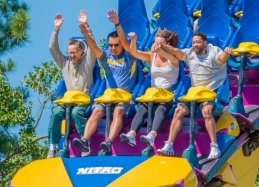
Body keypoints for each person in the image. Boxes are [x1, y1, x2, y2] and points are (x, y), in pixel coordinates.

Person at [72, 10, 140, 157]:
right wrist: (85, 33)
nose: (113, 48)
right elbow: (94, 47)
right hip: (108, 96)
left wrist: (117, 24)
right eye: (110, 45)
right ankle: (84, 140)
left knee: (118, 112)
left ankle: (108, 142)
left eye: (116, 45)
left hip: (124, 98)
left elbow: (127, 44)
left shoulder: (130, 55)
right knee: (96, 111)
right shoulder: (106, 56)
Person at [156, 31, 233, 161]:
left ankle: (214, 146)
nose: (195, 45)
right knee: (178, 110)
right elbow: (175, 51)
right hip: (195, 92)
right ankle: (169, 145)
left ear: (205, 43)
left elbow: (221, 58)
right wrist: (161, 45)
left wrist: (227, 52)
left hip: (211, 91)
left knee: (206, 111)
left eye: (198, 42)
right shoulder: (189, 52)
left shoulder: (213, 51)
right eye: (193, 42)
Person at [119, 27, 181, 150]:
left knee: (161, 108)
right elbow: (134, 53)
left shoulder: (174, 58)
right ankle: (131, 134)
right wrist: (133, 40)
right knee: (142, 108)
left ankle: (152, 136)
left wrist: (161, 50)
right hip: (153, 94)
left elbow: (172, 58)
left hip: (168, 94)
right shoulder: (152, 56)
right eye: (155, 43)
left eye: (160, 44)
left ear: (167, 45)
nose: (156, 46)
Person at [47, 11, 98, 158]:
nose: (71, 55)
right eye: (69, 53)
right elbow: (52, 49)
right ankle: (53, 147)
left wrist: (86, 26)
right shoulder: (65, 63)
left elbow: (92, 45)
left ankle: (84, 144)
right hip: (68, 101)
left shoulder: (88, 62)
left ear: (82, 51)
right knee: (56, 113)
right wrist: (56, 29)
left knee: (76, 113)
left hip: (83, 101)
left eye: (74, 52)